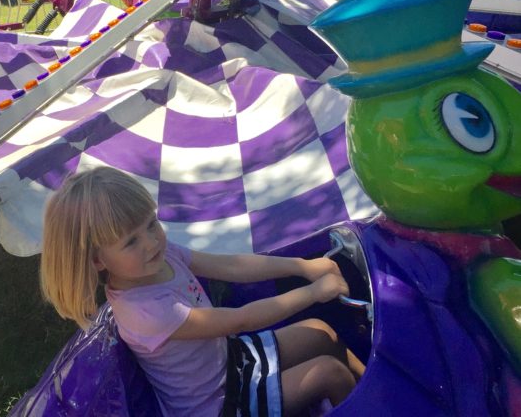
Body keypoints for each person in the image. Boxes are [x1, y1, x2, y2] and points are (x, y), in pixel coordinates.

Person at [41, 166, 364, 416]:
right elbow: (240, 320)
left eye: (151, 224)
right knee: (328, 373)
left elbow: (232, 266)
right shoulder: (146, 312)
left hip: (229, 362)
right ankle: (373, 403)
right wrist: (313, 292)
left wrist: (302, 267)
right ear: (98, 259)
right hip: (216, 405)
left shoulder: (161, 257)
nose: (151, 242)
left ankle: (378, 388)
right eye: (131, 241)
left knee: (323, 332)